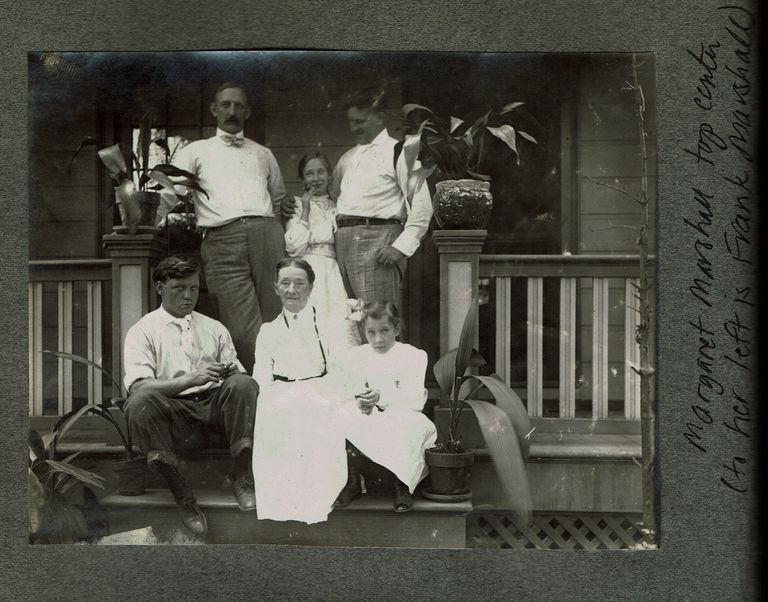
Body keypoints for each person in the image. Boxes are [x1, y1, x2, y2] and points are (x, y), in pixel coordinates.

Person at [123, 256, 259, 537]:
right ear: (160, 288)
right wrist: (190, 379)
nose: (188, 296)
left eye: (194, 289)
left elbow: (236, 374)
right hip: (176, 420)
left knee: (243, 384)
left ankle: (243, 476)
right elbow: (139, 387)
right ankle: (182, 495)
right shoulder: (142, 331)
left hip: (214, 414)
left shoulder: (213, 328)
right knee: (140, 402)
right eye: (179, 288)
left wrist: (227, 373)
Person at [174, 82, 287, 374]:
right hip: (222, 239)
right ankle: (260, 391)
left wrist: (272, 230)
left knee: (279, 319)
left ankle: (285, 393)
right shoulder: (196, 151)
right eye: (225, 104)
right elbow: (168, 191)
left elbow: (278, 199)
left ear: (247, 112)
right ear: (214, 109)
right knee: (241, 330)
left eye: (238, 105)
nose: (232, 111)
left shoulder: (263, 154)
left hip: (267, 235)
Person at [251, 258, 352, 524]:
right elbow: (261, 372)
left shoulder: (328, 324)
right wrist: (267, 397)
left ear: (310, 287)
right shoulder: (268, 330)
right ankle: (281, 505)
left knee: (314, 415)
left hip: (320, 389)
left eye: (299, 283)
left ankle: (314, 503)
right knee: (275, 418)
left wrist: (329, 395)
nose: (292, 290)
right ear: (276, 288)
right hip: (279, 391)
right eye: (285, 283)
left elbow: (339, 368)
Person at [335, 301, 437, 512]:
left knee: (408, 424)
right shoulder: (357, 356)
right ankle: (353, 481)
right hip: (368, 412)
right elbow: (346, 388)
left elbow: (416, 397)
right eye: (371, 332)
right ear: (364, 331)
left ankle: (402, 482)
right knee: (341, 417)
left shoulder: (412, 355)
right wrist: (362, 401)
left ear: (397, 329)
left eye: (385, 331)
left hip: (402, 410)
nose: (378, 339)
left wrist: (382, 397)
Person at [284, 152, 358, 344]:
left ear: (329, 175)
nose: (316, 178)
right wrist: (306, 211)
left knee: (337, 322)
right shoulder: (297, 206)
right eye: (309, 174)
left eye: (320, 172)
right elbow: (294, 248)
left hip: (333, 270)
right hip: (308, 267)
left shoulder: (340, 206)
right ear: (302, 179)